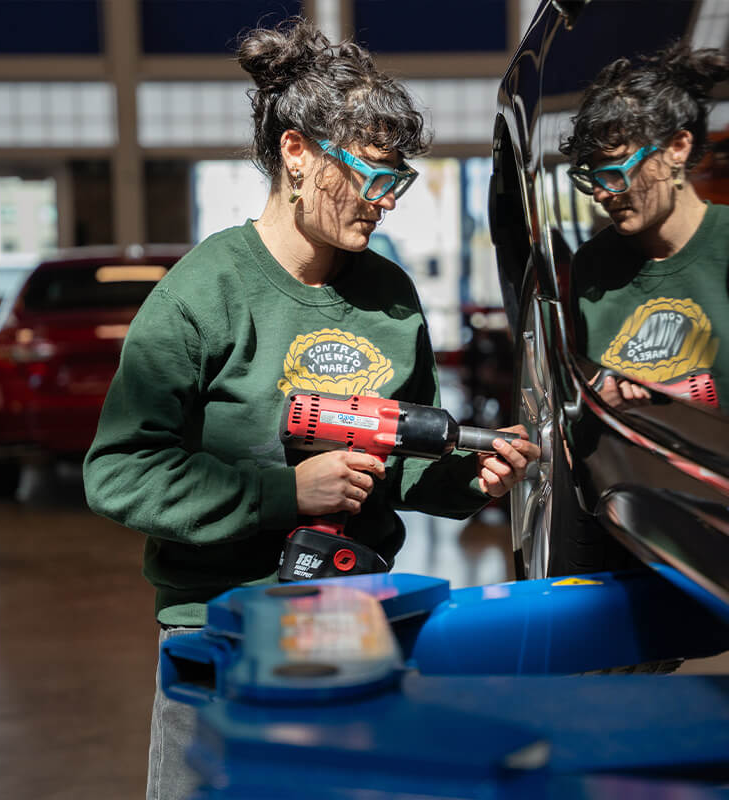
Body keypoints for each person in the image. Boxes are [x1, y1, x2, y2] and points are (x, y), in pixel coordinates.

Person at [83, 18, 540, 800]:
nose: (382, 201)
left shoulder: (388, 295)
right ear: (296, 152)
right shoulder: (204, 292)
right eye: (368, 173)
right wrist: (286, 494)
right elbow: (120, 473)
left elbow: (406, 461)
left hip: (359, 624)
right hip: (222, 636)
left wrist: (476, 480)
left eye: (395, 181)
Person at [560, 42, 729, 411]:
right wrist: (594, 402)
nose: (601, 194)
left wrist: (672, 390)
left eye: (616, 170)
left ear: (677, 147)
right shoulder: (592, 265)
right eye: (592, 176)